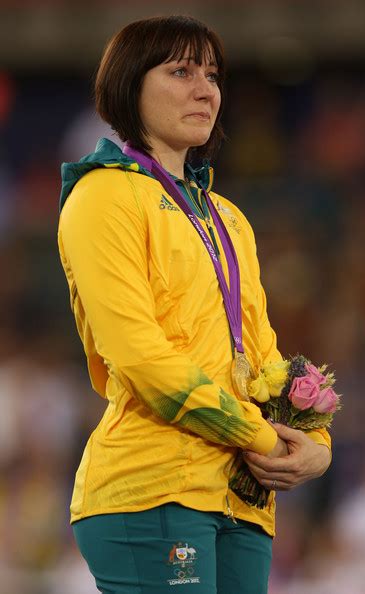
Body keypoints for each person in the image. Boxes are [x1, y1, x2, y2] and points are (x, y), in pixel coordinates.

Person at [57, 15, 331, 594]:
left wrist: (315, 446)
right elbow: (139, 357)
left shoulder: (227, 217)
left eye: (212, 75)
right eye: (180, 71)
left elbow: (264, 357)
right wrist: (261, 440)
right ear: (129, 84)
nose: (205, 89)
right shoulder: (103, 194)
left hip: (242, 497)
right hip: (153, 486)